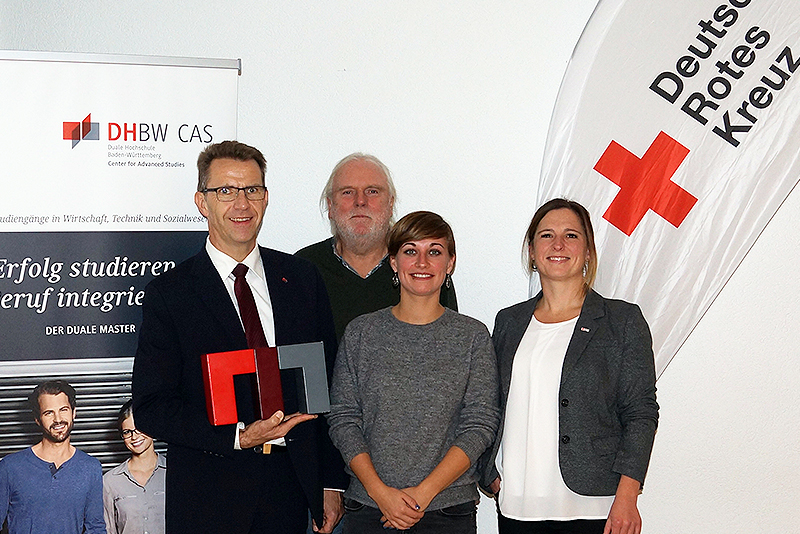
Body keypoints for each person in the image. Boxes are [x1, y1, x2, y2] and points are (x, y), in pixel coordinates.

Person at [132, 140, 347, 534]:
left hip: (292, 488)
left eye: (252, 190)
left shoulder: (301, 279)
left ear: (266, 198)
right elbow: (152, 406)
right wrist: (240, 436)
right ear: (202, 202)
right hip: (208, 494)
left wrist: (331, 482)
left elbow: (328, 387)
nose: (242, 203)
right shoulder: (171, 293)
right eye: (226, 191)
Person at [477, 198, 659, 534]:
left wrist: (627, 495)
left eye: (571, 236)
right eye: (546, 235)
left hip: (593, 507)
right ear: (532, 251)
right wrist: (488, 472)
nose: (558, 244)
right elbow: (489, 403)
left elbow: (640, 413)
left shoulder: (621, 321)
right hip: (517, 505)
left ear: (588, 250)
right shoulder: (509, 321)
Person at [327, 211, 499, 533]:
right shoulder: (361, 334)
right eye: (410, 251)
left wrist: (422, 494)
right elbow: (343, 419)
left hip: (447, 511)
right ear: (394, 262)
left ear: (449, 264)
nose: (422, 262)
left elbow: (479, 424)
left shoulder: (473, 337)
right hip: (370, 509)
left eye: (434, 251)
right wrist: (381, 494)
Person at [295, 153, 457, 342]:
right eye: (347, 192)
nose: (360, 201)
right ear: (330, 206)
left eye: (372, 191)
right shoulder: (303, 268)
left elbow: (450, 343)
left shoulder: (419, 270)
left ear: (390, 204)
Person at [0, 380, 105, 534]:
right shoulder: (10, 467)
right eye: (48, 412)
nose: (58, 419)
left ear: (73, 412)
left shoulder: (90, 467)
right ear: (37, 419)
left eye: (63, 410)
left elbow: (96, 528)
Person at [103, 400, 166, 534]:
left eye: (140, 428)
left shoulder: (174, 473)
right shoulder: (110, 482)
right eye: (127, 432)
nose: (134, 436)